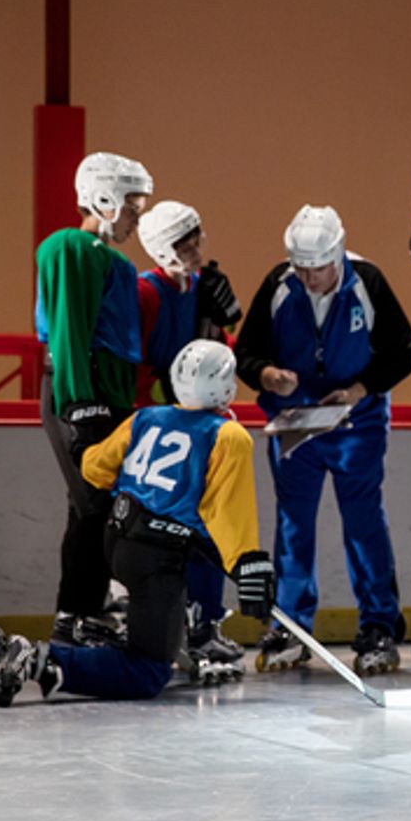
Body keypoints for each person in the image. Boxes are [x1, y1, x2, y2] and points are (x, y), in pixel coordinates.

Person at [0, 340, 276, 705]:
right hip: (157, 560)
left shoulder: (146, 418)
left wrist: (85, 440)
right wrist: (246, 562)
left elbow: (94, 468)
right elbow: (228, 512)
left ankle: (167, 634)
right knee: (148, 671)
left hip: (117, 543)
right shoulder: (228, 435)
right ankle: (42, 660)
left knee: (191, 566)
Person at [234, 205, 411, 676]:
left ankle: (378, 625)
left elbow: (403, 351)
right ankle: (292, 627)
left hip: (356, 423)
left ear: (337, 255)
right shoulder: (280, 284)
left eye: (317, 267)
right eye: (301, 267)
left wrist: (358, 391)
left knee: (364, 522)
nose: (309, 277)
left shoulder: (368, 282)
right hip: (295, 424)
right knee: (293, 524)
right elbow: (247, 350)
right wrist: (267, 375)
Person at [34, 151, 152, 648]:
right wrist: (80, 403)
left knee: (104, 505)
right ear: (104, 197)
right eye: (131, 205)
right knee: (91, 505)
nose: (136, 216)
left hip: (112, 392)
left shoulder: (117, 262)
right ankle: (77, 612)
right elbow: (68, 330)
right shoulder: (70, 247)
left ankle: (94, 603)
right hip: (81, 391)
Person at [136, 200, 245, 682]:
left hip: (200, 425)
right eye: (185, 242)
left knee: (211, 523)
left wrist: (225, 327)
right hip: (159, 426)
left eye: (198, 236)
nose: (198, 248)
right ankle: (152, 618)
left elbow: (218, 355)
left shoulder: (205, 289)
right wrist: (163, 410)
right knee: (162, 527)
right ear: (163, 249)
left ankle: (204, 620)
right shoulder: (146, 293)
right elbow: (136, 365)